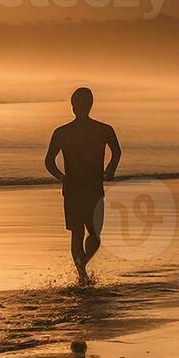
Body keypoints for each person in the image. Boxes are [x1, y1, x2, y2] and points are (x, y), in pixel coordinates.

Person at [45, 87, 122, 282]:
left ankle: (82, 266)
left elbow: (116, 151)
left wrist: (110, 170)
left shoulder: (103, 129)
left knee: (94, 236)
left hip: (92, 188)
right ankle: (82, 275)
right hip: (76, 189)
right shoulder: (63, 132)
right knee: (79, 232)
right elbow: (49, 161)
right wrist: (62, 177)